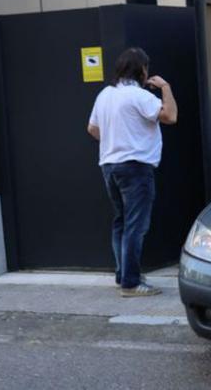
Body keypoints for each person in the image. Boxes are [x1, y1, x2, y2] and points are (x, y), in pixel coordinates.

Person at [87, 47, 177, 297]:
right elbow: (170, 116)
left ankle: (122, 274)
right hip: (136, 167)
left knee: (121, 221)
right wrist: (166, 87)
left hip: (109, 165)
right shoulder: (139, 96)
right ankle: (131, 282)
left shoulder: (105, 94)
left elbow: (92, 129)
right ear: (142, 70)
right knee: (136, 225)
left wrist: (117, 137)